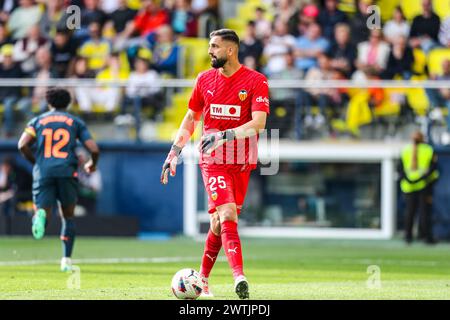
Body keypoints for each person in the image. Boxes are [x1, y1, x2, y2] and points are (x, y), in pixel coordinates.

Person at [160, 29, 269, 299]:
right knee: (228, 214)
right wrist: (175, 151)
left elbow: (259, 123)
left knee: (219, 224)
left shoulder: (256, 81)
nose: (210, 51)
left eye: (215, 46)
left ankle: (203, 280)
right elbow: (191, 117)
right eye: (210, 46)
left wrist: (225, 135)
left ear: (230, 50)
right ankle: (239, 277)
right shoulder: (204, 79)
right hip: (214, 161)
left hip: (242, 161)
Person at [17, 88, 100, 271]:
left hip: (44, 171)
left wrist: (37, 161)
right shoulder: (75, 122)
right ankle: (66, 261)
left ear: (49, 103)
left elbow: (22, 144)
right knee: (68, 216)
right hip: (66, 172)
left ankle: (40, 216)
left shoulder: (37, 121)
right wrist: (91, 164)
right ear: (68, 104)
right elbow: (93, 149)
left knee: (43, 211)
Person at [398, 131, 439, 244]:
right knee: (424, 212)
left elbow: (400, 169)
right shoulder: (428, 150)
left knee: (410, 212)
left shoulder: (406, 150)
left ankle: (408, 237)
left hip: (409, 185)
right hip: (423, 185)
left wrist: (409, 179)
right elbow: (433, 168)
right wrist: (420, 179)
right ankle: (426, 237)